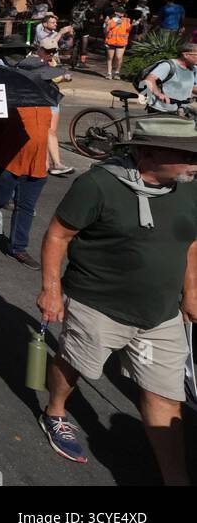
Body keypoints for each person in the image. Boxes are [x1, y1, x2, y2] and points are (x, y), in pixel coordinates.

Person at [36, 117, 197, 483]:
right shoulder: (97, 185)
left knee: (165, 397)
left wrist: (191, 293)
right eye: (187, 155)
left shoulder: (189, 189)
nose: (195, 164)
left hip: (160, 314)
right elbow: (58, 235)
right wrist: (51, 289)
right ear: (149, 152)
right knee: (76, 364)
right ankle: (56, 411)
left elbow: (190, 242)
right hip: (98, 303)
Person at [0, 99, 51, 269]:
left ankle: (18, 248)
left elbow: (48, 132)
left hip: (36, 166)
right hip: (9, 163)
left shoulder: (45, 106)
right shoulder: (11, 102)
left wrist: (48, 157)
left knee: (26, 207)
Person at [21, 38, 75, 176]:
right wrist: (61, 77)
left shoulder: (52, 61)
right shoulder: (31, 62)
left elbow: (54, 77)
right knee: (45, 132)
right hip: (40, 99)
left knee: (50, 131)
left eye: (54, 51)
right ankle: (47, 163)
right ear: (40, 49)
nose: (51, 54)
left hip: (52, 97)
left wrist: (63, 78)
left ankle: (55, 163)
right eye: (48, 51)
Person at [140, 42, 197, 114]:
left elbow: (193, 87)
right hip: (161, 109)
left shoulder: (194, 69)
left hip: (180, 110)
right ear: (185, 55)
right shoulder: (168, 65)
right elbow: (149, 80)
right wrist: (158, 94)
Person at [103, 5, 131, 81]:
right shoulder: (110, 20)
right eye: (120, 12)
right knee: (110, 58)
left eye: (123, 12)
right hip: (111, 41)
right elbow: (105, 31)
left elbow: (128, 30)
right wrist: (106, 24)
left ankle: (117, 72)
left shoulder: (127, 20)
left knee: (118, 58)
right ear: (116, 12)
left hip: (121, 42)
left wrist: (133, 25)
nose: (122, 13)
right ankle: (109, 73)